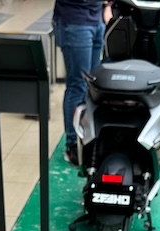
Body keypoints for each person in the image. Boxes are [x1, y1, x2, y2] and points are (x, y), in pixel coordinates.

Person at [55, 0, 109, 165]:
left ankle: (88, 138)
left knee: (92, 85)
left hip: (97, 18)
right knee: (78, 85)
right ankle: (72, 145)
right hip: (75, 22)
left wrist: (107, 6)